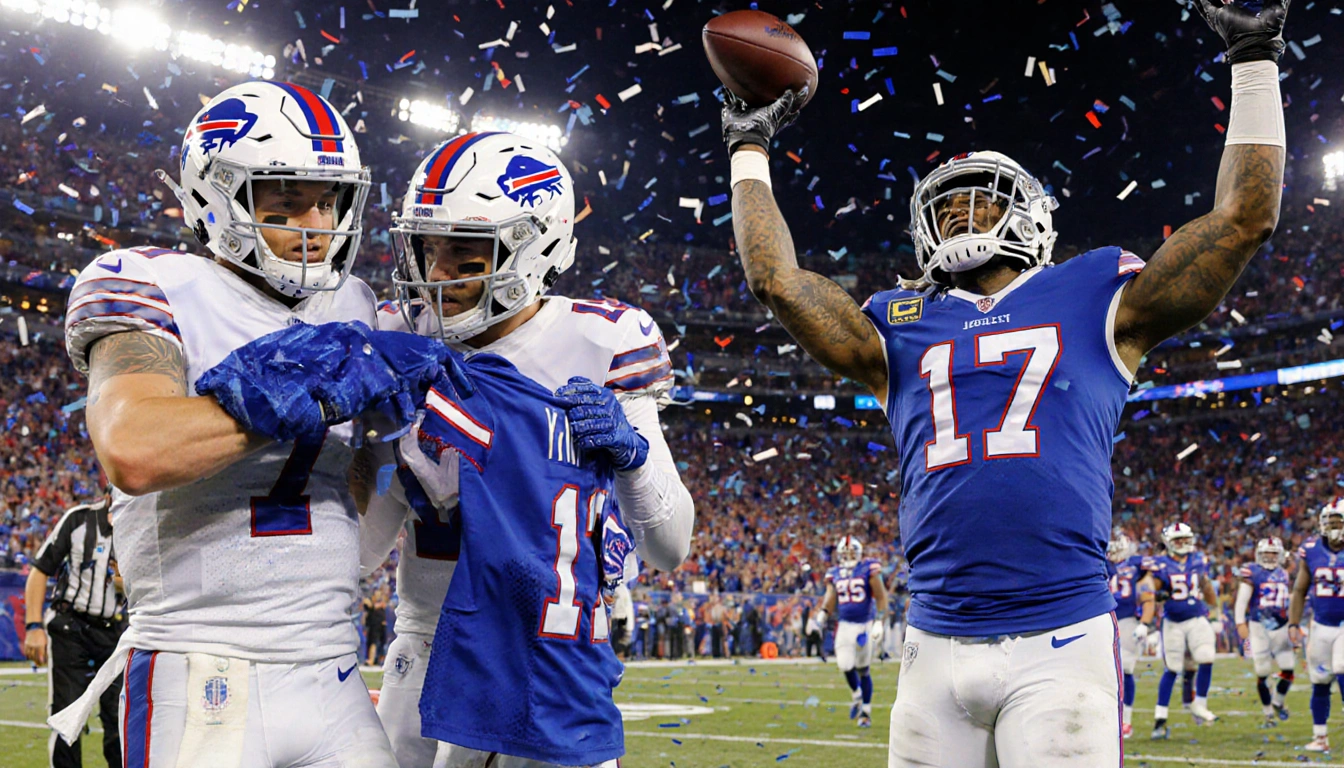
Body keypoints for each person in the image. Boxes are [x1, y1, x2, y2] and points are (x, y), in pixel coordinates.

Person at [719, 0, 1288, 762]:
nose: (960, 216)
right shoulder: (898, 320)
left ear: (1030, 216)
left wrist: (1253, 59)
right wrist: (748, 146)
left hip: (1060, 638)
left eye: (979, 199)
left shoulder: (1095, 292)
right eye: (947, 206)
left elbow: (1244, 219)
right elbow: (776, 281)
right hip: (932, 642)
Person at [48, 81, 434, 766]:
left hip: (333, 668)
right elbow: (133, 449)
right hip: (198, 663)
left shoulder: (352, 300)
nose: (316, 222)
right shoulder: (151, 283)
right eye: (287, 201)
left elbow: (348, 488)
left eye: (328, 200)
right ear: (218, 198)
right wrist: (302, 392)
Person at [359, 131, 695, 768]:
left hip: (552, 654)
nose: (438, 276)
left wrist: (632, 459)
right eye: (429, 249)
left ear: (535, 249)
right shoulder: (399, 335)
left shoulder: (601, 341)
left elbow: (670, 547)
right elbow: (363, 548)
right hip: (426, 644)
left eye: (466, 253)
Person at [24, 489, 123, 768]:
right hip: (71, 628)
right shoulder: (79, 520)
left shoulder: (141, 527)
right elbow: (40, 569)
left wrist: (124, 582)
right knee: (67, 715)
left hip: (115, 633)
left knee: (120, 719)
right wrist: (33, 625)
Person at [1140, 523, 1222, 738]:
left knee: (1206, 657)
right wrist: (1156, 600)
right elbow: (1150, 592)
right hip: (1173, 621)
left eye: (1185, 539)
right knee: (1173, 668)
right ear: (1168, 542)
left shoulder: (1198, 560)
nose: (1183, 543)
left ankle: (1199, 704)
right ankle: (1160, 719)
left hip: (1197, 617)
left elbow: (1206, 586)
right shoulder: (1159, 564)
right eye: (1178, 540)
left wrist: (1215, 612)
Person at [812, 536, 887, 728]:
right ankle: (857, 694)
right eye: (845, 553)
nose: (848, 556)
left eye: (851, 552)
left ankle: (866, 712)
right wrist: (822, 614)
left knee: (863, 668)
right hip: (844, 624)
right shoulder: (835, 572)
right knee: (844, 664)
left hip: (864, 624)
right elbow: (831, 595)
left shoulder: (868, 568)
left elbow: (881, 596)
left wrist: (879, 621)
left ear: (858, 552)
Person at [1288, 499, 1344, 752]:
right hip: (1320, 625)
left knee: (1341, 667)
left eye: (1338, 522)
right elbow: (1300, 589)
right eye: (1330, 522)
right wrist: (1293, 623)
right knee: (1320, 679)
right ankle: (1320, 737)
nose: (1333, 527)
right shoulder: (1311, 550)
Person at [1235, 536, 1294, 726]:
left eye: (1273, 553)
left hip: (1281, 625)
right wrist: (1240, 623)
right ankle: (1268, 713)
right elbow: (1242, 600)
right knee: (1262, 670)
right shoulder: (1252, 571)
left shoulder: (1283, 573)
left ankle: (1278, 702)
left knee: (1288, 668)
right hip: (1259, 626)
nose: (1270, 557)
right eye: (1266, 553)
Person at [1107, 529, 1147, 738]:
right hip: (1103, 619)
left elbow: (1152, 582)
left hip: (1128, 619)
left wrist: (1146, 617)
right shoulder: (1099, 562)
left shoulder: (1136, 564)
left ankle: (1126, 720)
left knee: (1126, 669)